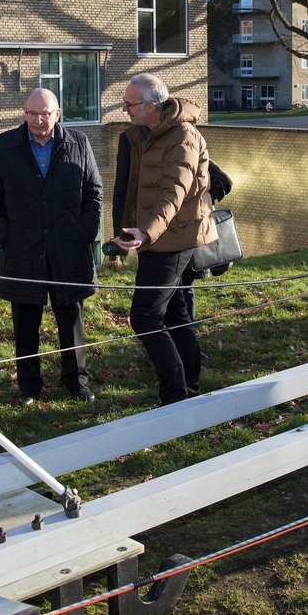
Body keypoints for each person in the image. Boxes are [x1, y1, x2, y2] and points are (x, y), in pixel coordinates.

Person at [0, 88, 101, 404]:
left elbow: (94, 191)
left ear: (58, 113)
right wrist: (6, 236)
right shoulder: (3, 146)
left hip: (68, 248)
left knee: (71, 319)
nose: (39, 121)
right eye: (32, 114)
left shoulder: (78, 143)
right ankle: (28, 386)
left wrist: (84, 232)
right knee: (25, 323)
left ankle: (76, 381)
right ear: (24, 114)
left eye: (45, 113)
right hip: (23, 248)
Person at [114, 73, 216, 406]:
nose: (124, 109)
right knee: (176, 315)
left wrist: (148, 232)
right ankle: (189, 386)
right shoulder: (146, 133)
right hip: (157, 239)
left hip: (170, 241)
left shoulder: (183, 136)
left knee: (145, 317)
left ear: (152, 106)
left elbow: (173, 192)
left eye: (129, 104)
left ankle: (175, 394)